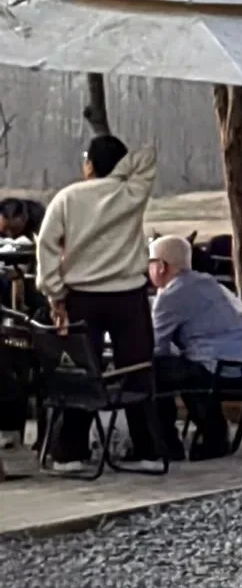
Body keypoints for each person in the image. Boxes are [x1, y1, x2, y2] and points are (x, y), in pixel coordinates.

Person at [36, 137, 160, 471]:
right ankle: (148, 450)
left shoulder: (68, 197)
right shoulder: (131, 192)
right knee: (137, 369)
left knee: (81, 373)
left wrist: (54, 293)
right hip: (128, 295)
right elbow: (147, 156)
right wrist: (119, 171)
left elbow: (46, 245)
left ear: (89, 164)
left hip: (82, 297)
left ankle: (70, 453)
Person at [149, 235, 242, 460]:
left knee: (154, 371)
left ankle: (167, 443)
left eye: (150, 263)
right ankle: (211, 433)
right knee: (182, 368)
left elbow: (156, 347)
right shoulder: (207, 282)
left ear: (162, 266)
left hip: (222, 370)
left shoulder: (171, 295)